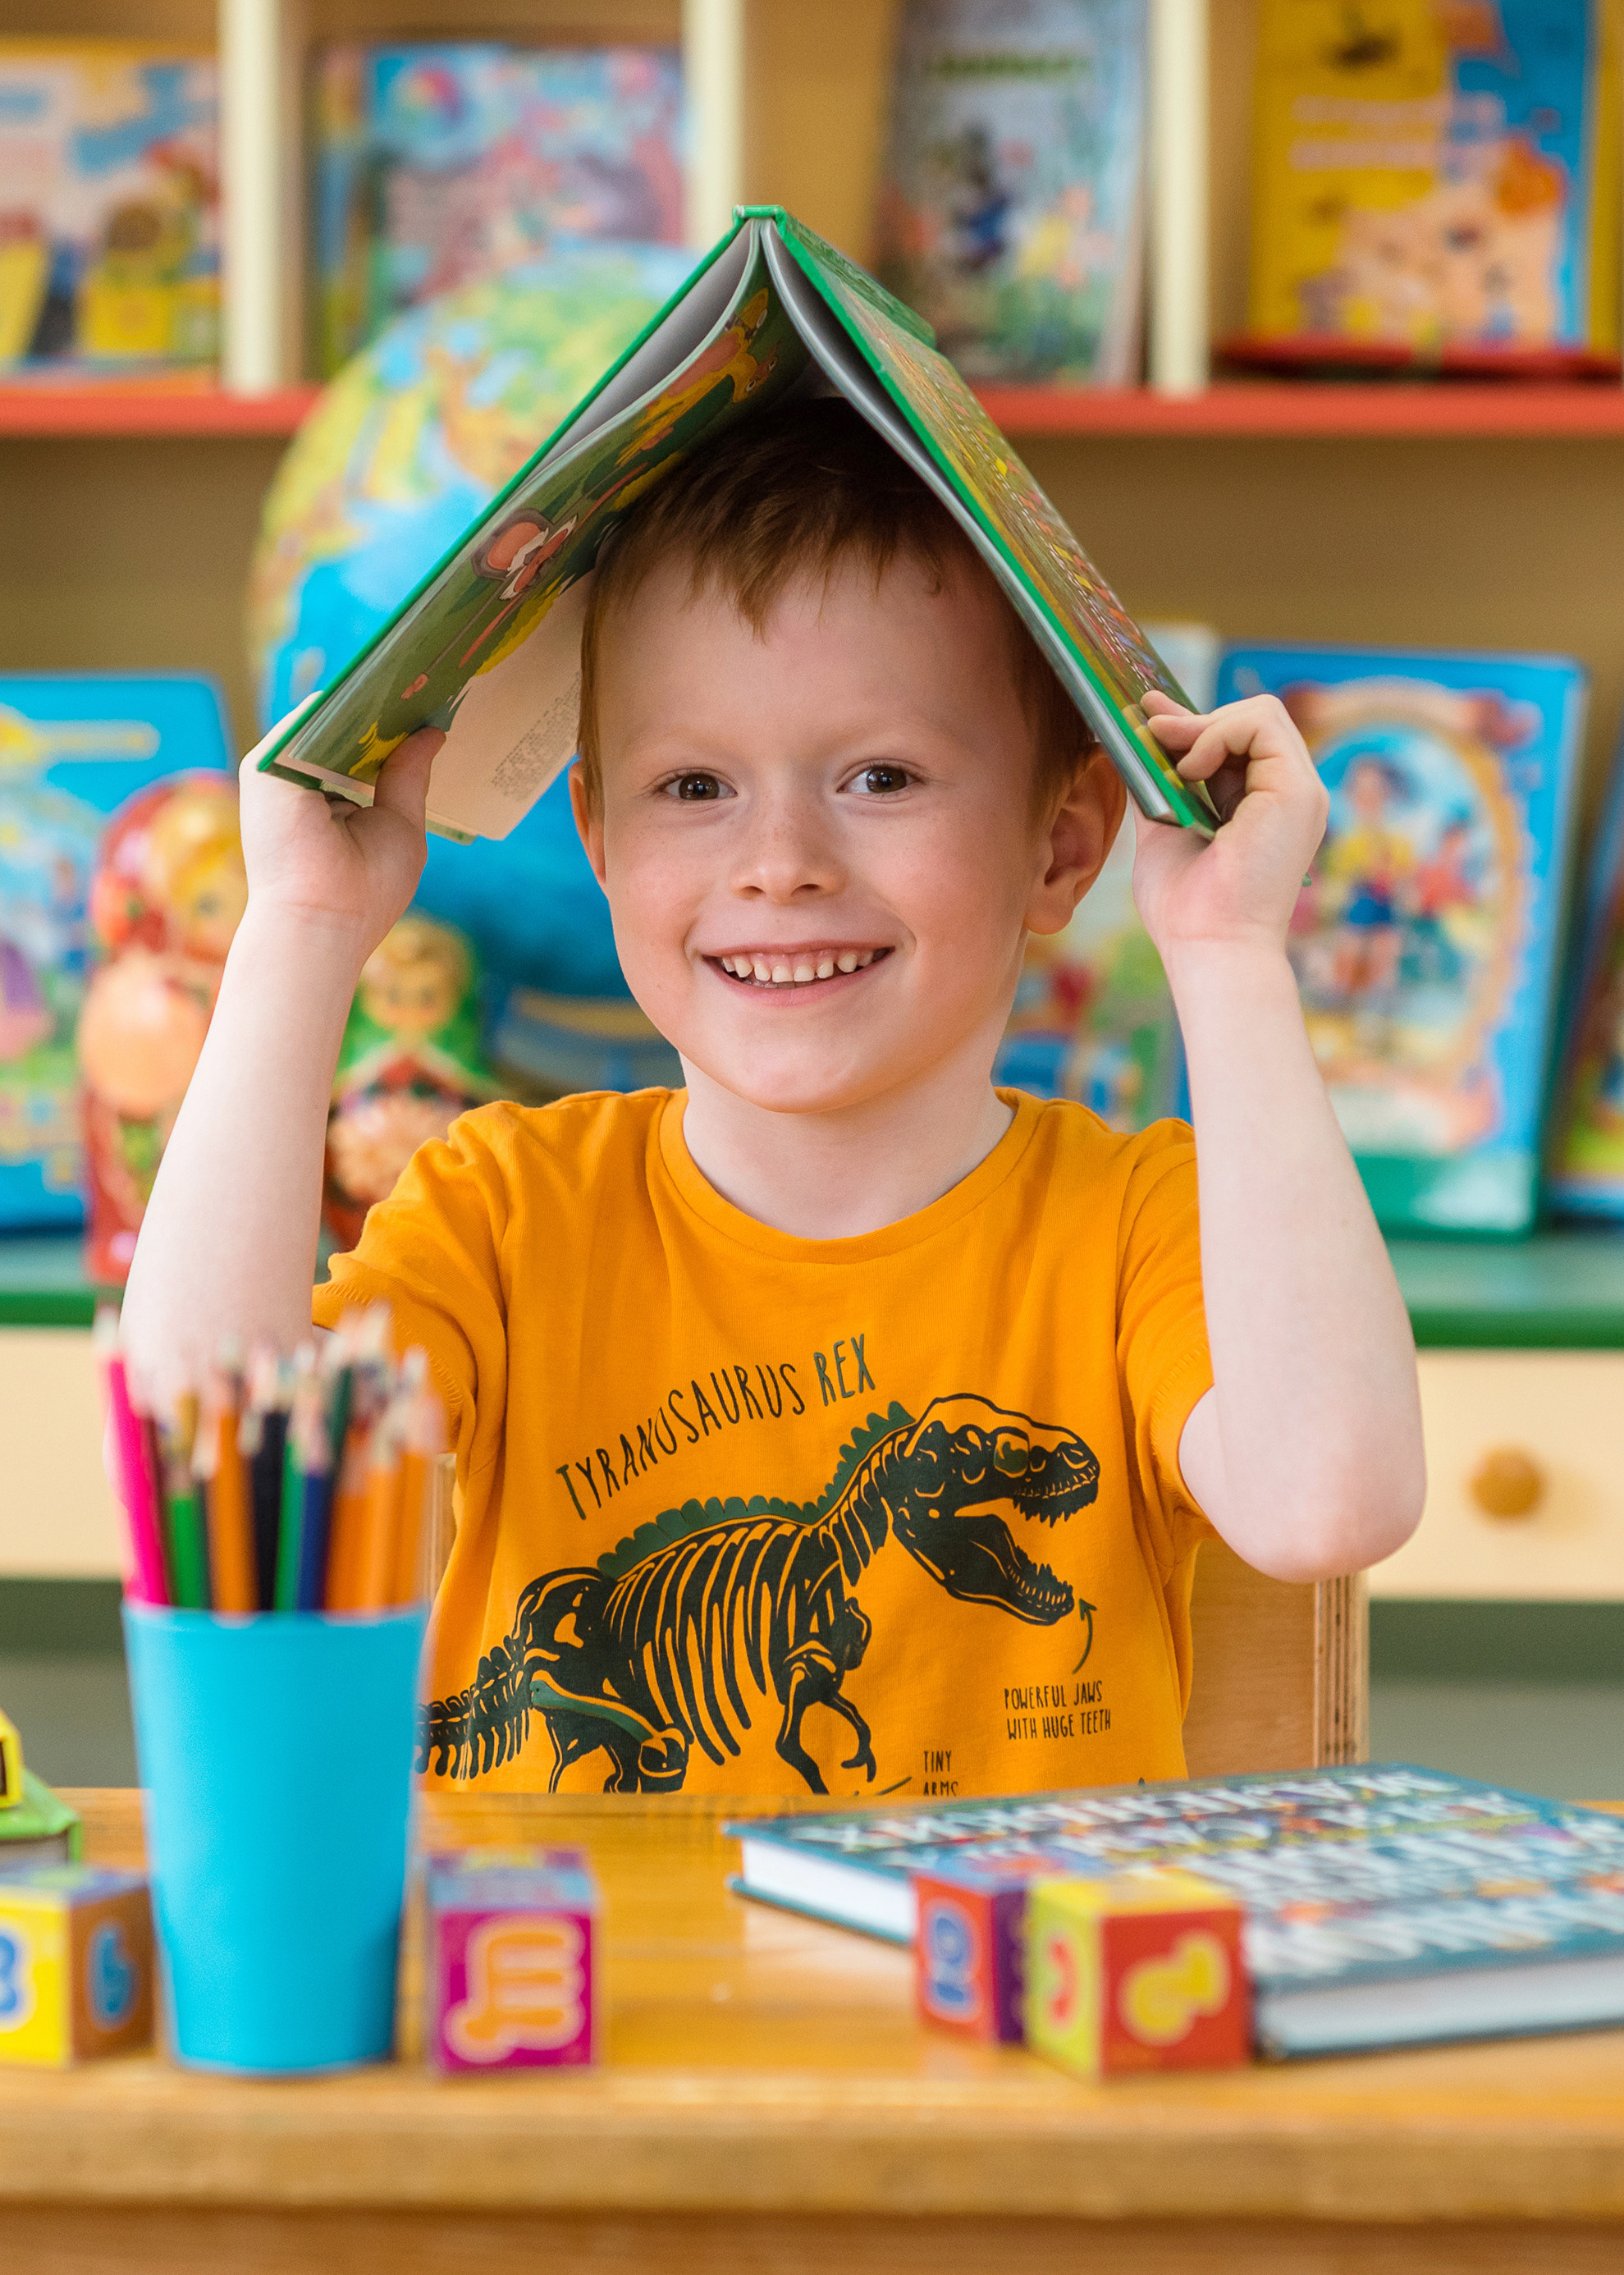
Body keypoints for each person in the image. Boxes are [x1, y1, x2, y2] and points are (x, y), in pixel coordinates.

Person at [120, 400, 1424, 1800]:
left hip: (1002, 2008)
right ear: (600, 840)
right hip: (579, 2007)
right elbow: (214, 1452)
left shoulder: (1138, 1227)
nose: (781, 861)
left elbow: (1324, 1501)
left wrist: (1226, 952)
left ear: (1061, 846)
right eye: (695, 785)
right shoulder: (501, 1209)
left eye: (881, 777)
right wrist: (302, 928)